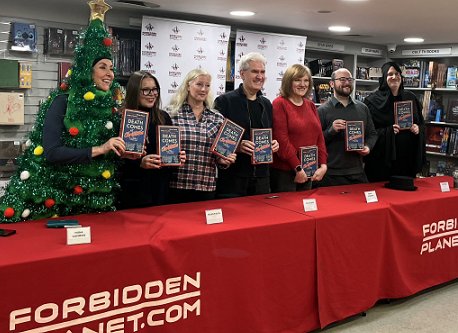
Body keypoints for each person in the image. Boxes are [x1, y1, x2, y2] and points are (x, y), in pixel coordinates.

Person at [0, 2, 125, 222]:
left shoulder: (110, 107)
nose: (110, 74)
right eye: (103, 67)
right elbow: (52, 152)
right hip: (51, 201)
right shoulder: (62, 102)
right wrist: (99, 149)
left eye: (111, 68)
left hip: (94, 200)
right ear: (88, 71)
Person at [214, 52, 279, 198]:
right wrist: (237, 147)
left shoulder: (267, 104)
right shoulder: (225, 101)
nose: (260, 76)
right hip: (233, 177)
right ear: (242, 74)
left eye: (262, 72)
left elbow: (271, 134)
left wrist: (274, 144)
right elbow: (214, 141)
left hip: (262, 177)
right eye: (255, 71)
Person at [166, 68, 236, 203]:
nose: (203, 89)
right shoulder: (171, 114)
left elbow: (219, 157)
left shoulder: (217, 118)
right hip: (176, 185)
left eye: (207, 85)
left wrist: (223, 161)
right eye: (199, 84)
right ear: (188, 85)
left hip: (206, 187)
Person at [118, 71, 185, 209]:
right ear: (134, 91)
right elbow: (115, 160)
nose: (152, 94)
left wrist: (176, 157)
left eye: (155, 89)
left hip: (160, 190)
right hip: (133, 191)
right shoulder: (121, 118)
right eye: (146, 90)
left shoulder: (163, 117)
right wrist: (139, 163)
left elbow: (168, 154)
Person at [364, 61, 426, 182]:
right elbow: (369, 133)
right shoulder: (372, 101)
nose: (394, 77)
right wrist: (388, 131)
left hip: (407, 159)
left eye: (397, 73)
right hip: (382, 162)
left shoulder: (411, 98)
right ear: (383, 78)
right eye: (390, 74)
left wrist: (418, 128)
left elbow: (422, 124)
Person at [271, 64, 327, 192]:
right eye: (297, 80)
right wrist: (297, 167)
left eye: (306, 80)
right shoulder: (280, 103)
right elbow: (282, 140)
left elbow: (319, 137)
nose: (302, 84)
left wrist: (323, 165)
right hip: (286, 172)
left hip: (309, 169)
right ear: (288, 82)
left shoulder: (311, 105)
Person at [317, 68, 377, 186]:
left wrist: (368, 146)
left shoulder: (363, 108)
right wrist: (331, 131)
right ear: (332, 83)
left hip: (357, 172)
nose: (347, 82)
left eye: (350, 79)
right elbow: (315, 142)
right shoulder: (322, 111)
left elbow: (372, 133)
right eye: (342, 79)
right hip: (330, 174)